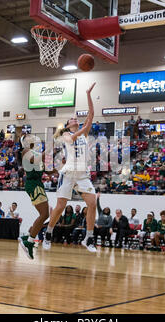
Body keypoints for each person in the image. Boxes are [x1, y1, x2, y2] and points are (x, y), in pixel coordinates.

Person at [43, 83, 97, 253]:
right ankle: (49, 233)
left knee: (92, 203)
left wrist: (88, 94)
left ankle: (89, 238)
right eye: (72, 119)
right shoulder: (66, 135)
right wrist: (83, 128)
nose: (75, 119)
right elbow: (73, 137)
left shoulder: (84, 133)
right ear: (67, 125)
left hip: (82, 174)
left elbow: (91, 115)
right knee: (60, 206)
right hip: (68, 174)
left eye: (76, 118)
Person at [18, 133, 50, 260]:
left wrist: (62, 167)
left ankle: (28, 237)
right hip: (33, 185)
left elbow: (47, 170)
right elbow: (36, 160)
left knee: (45, 215)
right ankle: (29, 242)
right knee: (44, 215)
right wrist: (49, 149)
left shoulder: (36, 154)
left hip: (38, 184)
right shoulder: (26, 151)